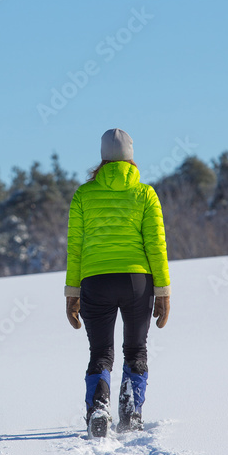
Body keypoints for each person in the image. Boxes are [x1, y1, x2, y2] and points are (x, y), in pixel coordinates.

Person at [64, 128, 170, 437]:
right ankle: (131, 409)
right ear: (131, 158)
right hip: (138, 281)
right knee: (135, 349)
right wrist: (163, 291)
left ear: (102, 158)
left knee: (100, 352)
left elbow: (75, 247)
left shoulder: (84, 195)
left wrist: (72, 293)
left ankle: (99, 405)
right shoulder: (145, 194)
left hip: (95, 280)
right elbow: (156, 246)